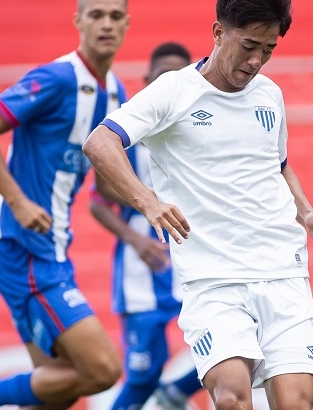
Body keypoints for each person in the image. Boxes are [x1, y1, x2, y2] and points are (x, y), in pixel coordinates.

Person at [82, 0, 313, 410]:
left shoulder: (270, 95)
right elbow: (99, 143)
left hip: (284, 274)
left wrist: (306, 213)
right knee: (233, 398)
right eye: (248, 46)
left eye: (269, 50)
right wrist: (148, 201)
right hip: (214, 281)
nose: (257, 60)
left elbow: (275, 165)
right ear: (219, 32)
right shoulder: (173, 91)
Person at [0, 0, 130, 409]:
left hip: (52, 251)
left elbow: (105, 185)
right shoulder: (56, 78)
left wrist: (159, 201)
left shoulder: (115, 93)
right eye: (96, 15)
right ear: (78, 21)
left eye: (114, 16)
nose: (106, 24)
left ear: (127, 23)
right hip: (23, 250)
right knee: (103, 370)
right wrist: (17, 200)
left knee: (58, 389)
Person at [89, 41, 205, 410]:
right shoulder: (124, 135)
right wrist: (135, 242)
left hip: (197, 264)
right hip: (144, 270)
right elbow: (97, 202)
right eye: (161, 76)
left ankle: (176, 394)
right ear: (146, 80)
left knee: (236, 348)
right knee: (143, 376)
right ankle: (165, 393)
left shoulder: (203, 132)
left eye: (177, 76)